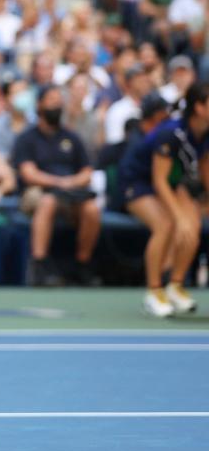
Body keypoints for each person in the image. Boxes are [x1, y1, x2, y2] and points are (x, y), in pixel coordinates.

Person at [119, 82, 208, 318]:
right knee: (166, 225)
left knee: (192, 228)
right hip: (137, 181)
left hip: (171, 182)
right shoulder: (172, 132)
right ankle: (154, 291)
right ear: (199, 107)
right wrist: (177, 214)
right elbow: (158, 180)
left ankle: (175, 286)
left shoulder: (205, 132)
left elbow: (205, 169)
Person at [12, 86, 100, 286]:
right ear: (39, 105)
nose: (57, 105)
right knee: (49, 201)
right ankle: (39, 265)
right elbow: (29, 174)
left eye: (59, 101)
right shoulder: (27, 138)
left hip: (70, 194)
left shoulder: (72, 137)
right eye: (51, 100)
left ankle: (82, 265)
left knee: (91, 209)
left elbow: (87, 172)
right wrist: (59, 182)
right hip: (37, 192)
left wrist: (70, 184)